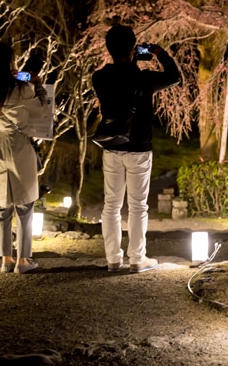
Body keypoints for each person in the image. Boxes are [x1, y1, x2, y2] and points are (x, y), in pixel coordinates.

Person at [93, 25, 181, 273]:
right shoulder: (144, 78)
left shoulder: (99, 77)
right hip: (140, 148)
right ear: (134, 49)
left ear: (109, 48)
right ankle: (137, 258)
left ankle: (113, 259)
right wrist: (159, 53)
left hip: (111, 147)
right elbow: (174, 76)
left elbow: (115, 81)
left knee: (111, 205)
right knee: (138, 205)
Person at [0, 42, 47, 274]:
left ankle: (6, 259)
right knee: (24, 205)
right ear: (9, 62)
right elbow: (41, 109)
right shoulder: (20, 88)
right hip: (17, 146)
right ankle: (23, 261)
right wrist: (37, 84)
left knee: (1, 205)